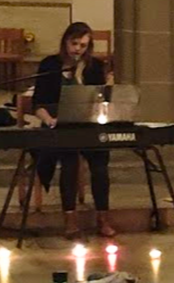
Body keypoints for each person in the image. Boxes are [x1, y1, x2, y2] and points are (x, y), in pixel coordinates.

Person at [29, 21, 115, 239]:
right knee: (69, 162)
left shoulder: (94, 67)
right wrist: (49, 120)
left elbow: (101, 101)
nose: (78, 49)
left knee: (100, 164)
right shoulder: (50, 64)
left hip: (87, 126)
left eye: (83, 45)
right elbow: (38, 103)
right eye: (74, 43)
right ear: (65, 41)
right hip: (57, 125)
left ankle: (103, 218)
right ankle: (70, 220)